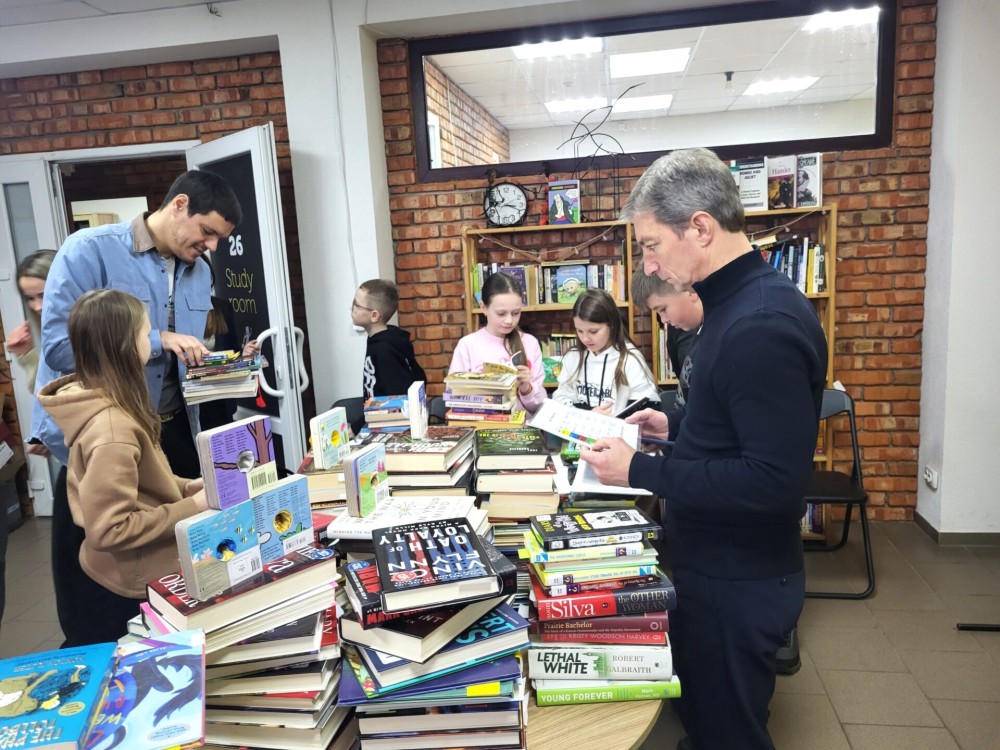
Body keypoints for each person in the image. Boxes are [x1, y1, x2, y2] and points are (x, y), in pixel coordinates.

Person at [581, 148, 827, 750]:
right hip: (712, 566)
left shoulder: (759, 324)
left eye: (650, 245)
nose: (648, 263)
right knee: (704, 719)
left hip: (737, 579)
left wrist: (641, 470)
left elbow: (772, 483)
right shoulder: (729, 306)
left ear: (700, 227)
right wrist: (676, 425)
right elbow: (732, 425)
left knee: (728, 732)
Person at [31, 169, 241, 647]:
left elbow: (187, 359)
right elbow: (60, 348)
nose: (211, 246)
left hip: (166, 428)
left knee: (172, 563)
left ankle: (166, 640)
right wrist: (158, 339)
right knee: (98, 576)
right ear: (179, 205)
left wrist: (221, 369)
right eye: (207, 231)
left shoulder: (200, 270)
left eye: (219, 239)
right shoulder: (89, 251)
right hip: (106, 429)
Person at [37, 289, 210, 644]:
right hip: (128, 585)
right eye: (145, 333)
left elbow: (140, 482)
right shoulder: (113, 431)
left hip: (129, 571)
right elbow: (110, 529)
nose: (151, 341)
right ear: (128, 346)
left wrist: (183, 487)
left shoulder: (112, 405)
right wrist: (192, 507)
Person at [448, 272, 545, 414]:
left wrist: (527, 389)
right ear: (483, 308)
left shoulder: (530, 343)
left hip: (522, 425)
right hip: (481, 423)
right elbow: (453, 396)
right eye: (501, 314)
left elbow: (539, 408)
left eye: (516, 313)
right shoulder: (467, 345)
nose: (509, 321)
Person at [552, 288, 657, 414]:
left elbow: (647, 407)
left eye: (593, 331)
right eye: (579, 331)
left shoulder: (630, 359)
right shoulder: (573, 356)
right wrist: (590, 414)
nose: (585, 338)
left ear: (611, 324)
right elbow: (561, 398)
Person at [630, 269, 704, 408]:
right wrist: (668, 420)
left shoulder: (719, 336)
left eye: (663, 309)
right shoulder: (678, 328)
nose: (663, 320)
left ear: (690, 291)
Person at [354, 279, 426, 400]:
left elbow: (397, 399)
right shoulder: (377, 339)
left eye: (356, 305)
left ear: (374, 315)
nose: (352, 309)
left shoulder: (385, 349)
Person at [5, 250, 57, 395]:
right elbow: (47, 393)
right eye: (30, 298)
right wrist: (27, 354)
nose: (37, 307)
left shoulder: (90, 328)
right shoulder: (52, 332)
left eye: (43, 295)